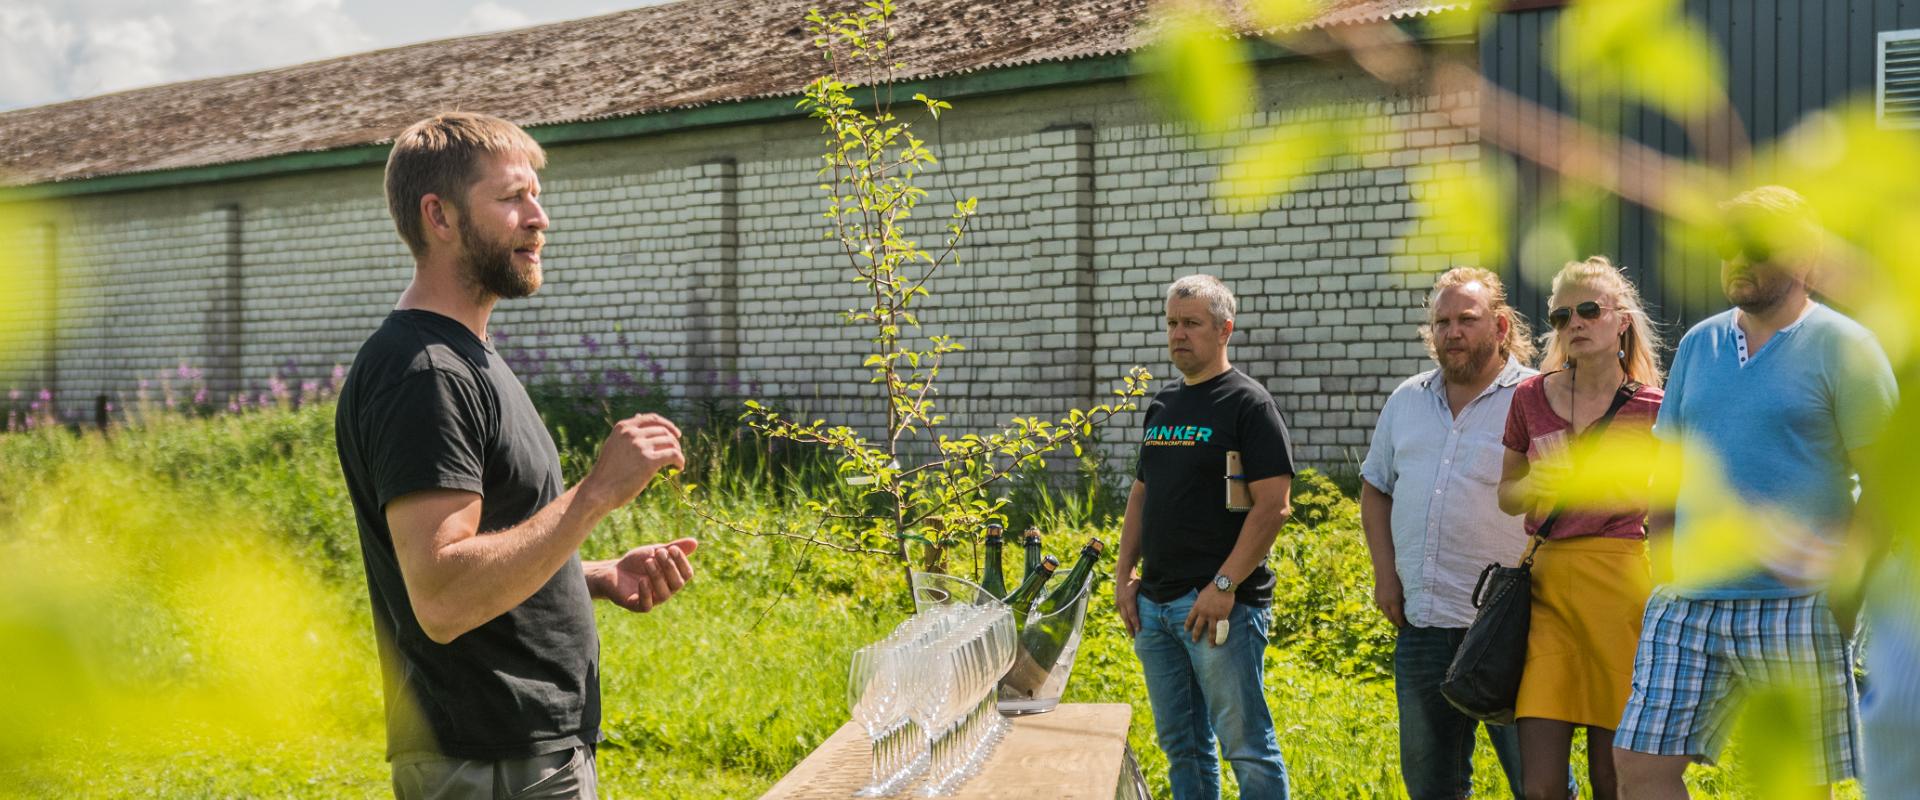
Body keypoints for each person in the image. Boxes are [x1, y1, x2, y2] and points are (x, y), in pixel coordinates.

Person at [335, 112, 699, 799]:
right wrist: (594, 495)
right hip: (491, 765)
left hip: (522, 756)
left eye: (536, 195)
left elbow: (487, 546)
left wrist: (586, 574)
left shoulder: (465, 359)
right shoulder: (427, 374)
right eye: (511, 198)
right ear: (438, 216)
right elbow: (442, 595)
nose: (540, 218)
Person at [1612, 186, 1897, 799]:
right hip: (1689, 601)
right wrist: (1662, 569)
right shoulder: (1698, 345)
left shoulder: (1846, 348)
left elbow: (1889, 488)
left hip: (1797, 601)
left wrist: (1843, 596)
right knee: (1638, 765)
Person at [1113, 274, 1295, 800]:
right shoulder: (1163, 404)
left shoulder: (1248, 405)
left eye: (1191, 323)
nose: (1178, 334)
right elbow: (1141, 497)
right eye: (1172, 323)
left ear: (1224, 330)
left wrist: (1223, 585)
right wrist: (1126, 576)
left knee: (1247, 749)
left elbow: (1273, 508)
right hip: (1156, 606)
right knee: (1184, 748)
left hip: (1220, 609)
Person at [1359, 266, 1538, 799]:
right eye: (1442, 322)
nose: (1452, 332)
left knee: (1539, 785)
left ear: (1501, 326)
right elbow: (1375, 488)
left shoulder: (1536, 397)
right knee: (1431, 785)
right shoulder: (1407, 400)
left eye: (1467, 319)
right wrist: (1385, 574)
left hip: (1513, 628)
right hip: (1425, 623)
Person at [1496, 257, 1665, 800]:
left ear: (1622, 320)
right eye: (1560, 315)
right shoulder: (1529, 396)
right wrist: (1540, 481)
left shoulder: (1655, 409)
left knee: (1610, 779)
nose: (1575, 323)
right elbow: (1507, 496)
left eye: (1589, 310)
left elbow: (1672, 509)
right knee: (1540, 786)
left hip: (1621, 588)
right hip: (1546, 588)